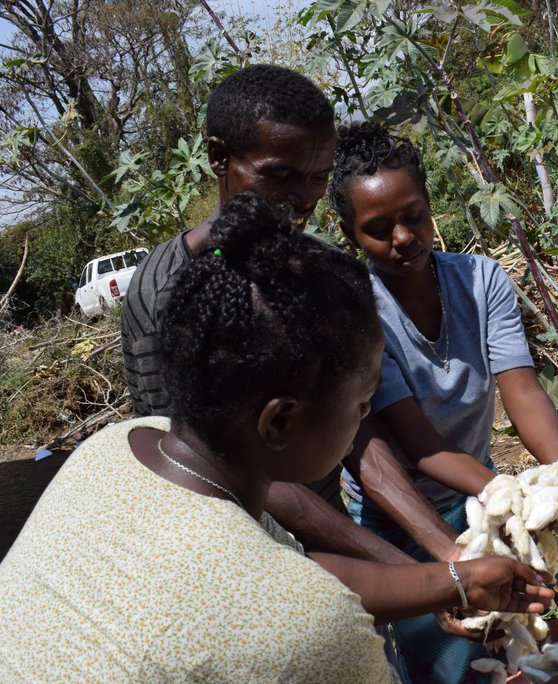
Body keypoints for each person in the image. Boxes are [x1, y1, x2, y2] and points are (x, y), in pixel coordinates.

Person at [0, 194, 558, 684]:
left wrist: (451, 581)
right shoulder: (289, 622)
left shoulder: (120, 450)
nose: (364, 422)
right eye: (361, 403)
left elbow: (280, 579)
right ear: (279, 421)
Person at [119, 64, 478, 635]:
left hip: (332, 539)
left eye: (317, 178)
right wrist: (414, 573)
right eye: (280, 175)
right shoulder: (166, 295)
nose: (302, 199)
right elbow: (214, 467)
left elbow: (355, 427)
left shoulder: (306, 266)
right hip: (250, 575)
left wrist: (443, 555)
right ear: (219, 157)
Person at [328, 121, 558, 684]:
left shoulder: (480, 280)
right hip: (396, 516)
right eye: (379, 229)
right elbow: (416, 444)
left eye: (414, 216)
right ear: (350, 233)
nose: (403, 238)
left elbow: (521, 389)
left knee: (489, 664)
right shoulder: (358, 309)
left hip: (473, 502)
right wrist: (510, 499)